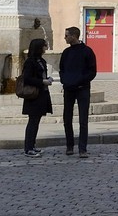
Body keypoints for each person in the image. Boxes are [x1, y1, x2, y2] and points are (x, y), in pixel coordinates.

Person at [58, 26, 98, 157]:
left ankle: (82, 148)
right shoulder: (66, 53)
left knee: (83, 120)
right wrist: (65, 80)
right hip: (69, 89)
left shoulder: (87, 51)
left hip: (82, 89)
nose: (65, 38)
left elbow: (92, 71)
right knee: (67, 118)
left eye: (66, 35)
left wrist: (81, 81)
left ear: (74, 36)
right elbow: (62, 69)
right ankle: (69, 146)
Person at [18, 38, 52, 157]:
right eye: (44, 46)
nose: (46, 48)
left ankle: (32, 145)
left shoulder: (41, 60)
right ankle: (28, 148)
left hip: (42, 94)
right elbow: (27, 78)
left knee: (36, 121)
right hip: (33, 95)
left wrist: (47, 80)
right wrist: (42, 81)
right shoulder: (30, 62)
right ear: (39, 47)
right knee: (32, 121)